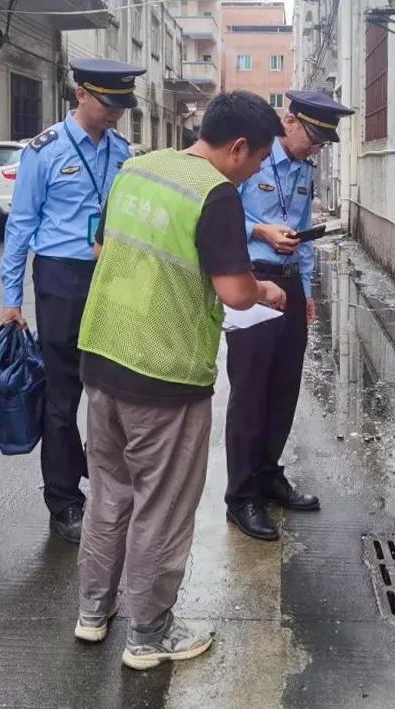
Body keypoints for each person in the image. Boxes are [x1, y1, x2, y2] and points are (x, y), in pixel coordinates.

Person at [74, 91, 287, 670]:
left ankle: (93, 612)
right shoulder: (215, 194)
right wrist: (266, 290)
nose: (257, 171)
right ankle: (149, 634)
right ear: (238, 147)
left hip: (104, 354)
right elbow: (235, 293)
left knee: (109, 495)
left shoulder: (137, 168)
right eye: (259, 158)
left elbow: (101, 247)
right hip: (164, 374)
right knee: (162, 508)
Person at [0, 59, 144, 544]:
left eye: (122, 105)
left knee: (114, 388)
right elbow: (21, 225)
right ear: (81, 94)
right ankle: (63, 500)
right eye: (108, 103)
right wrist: (11, 298)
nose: (116, 114)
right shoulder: (45, 150)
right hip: (61, 276)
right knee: (62, 394)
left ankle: (109, 485)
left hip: (113, 274)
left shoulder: (121, 150)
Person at [224, 90, 354, 541]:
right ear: (290, 121)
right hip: (252, 280)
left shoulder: (304, 170)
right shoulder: (252, 161)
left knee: (284, 386)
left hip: (290, 283)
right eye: (312, 138)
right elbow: (220, 215)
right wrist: (260, 230)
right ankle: (241, 496)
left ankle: (268, 475)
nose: (314, 148)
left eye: (322, 143)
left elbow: (302, 232)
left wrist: (307, 288)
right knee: (249, 392)